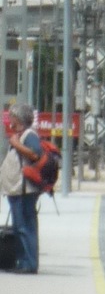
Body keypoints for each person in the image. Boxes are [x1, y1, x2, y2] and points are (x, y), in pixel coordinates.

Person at [2, 104, 43, 274]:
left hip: (25, 190)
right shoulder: (19, 136)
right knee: (20, 227)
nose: (9, 120)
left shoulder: (29, 135)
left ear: (18, 119)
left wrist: (16, 144)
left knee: (25, 227)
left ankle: (29, 263)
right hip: (17, 189)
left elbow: (35, 154)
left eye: (11, 116)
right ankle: (22, 261)